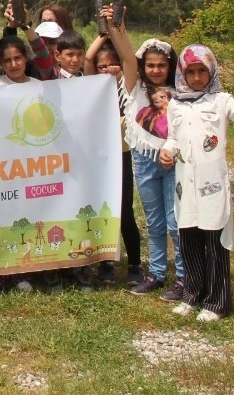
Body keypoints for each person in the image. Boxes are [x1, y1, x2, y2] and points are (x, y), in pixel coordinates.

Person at [160, 44, 234, 322]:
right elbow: (173, 137)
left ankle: (217, 302)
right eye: (190, 71)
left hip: (212, 184)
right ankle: (192, 294)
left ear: (211, 71)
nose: (196, 77)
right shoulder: (175, 103)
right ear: (182, 73)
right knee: (189, 239)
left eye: (201, 71)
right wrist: (167, 152)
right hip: (185, 184)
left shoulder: (222, 100)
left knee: (215, 241)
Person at [104, 5, 185, 300]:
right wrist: (118, 26)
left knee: (175, 220)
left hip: (174, 161)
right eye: (150, 65)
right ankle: (158, 273)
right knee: (154, 219)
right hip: (143, 159)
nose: (155, 70)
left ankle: (185, 277)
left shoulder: (180, 92)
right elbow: (126, 55)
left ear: (170, 66)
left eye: (161, 65)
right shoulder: (134, 86)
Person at [84, 39, 143, 285]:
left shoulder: (127, 89)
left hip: (121, 157)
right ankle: (106, 263)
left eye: (112, 64)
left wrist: (115, 33)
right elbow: (88, 59)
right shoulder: (91, 88)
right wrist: (102, 33)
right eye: (102, 66)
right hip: (97, 159)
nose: (106, 69)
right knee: (101, 209)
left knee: (125, 212)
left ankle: (134, 265)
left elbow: (131, 61)